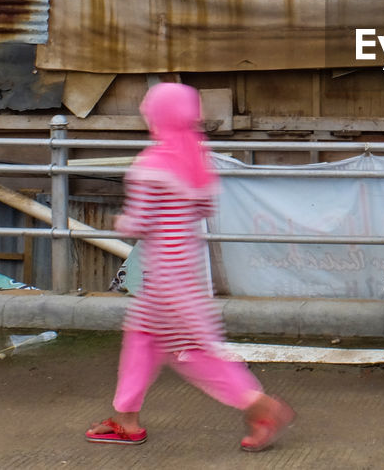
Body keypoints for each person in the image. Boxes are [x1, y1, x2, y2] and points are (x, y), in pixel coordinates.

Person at [85, 82, 294, 451]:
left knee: (193, 354)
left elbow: (137, 224)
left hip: (162, 277)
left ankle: (260, 407)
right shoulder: (196, 159)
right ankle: (125, 418)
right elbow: (203, 208)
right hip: (186, 272)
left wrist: (121, 222)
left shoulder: (150, 165)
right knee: (142, 341)